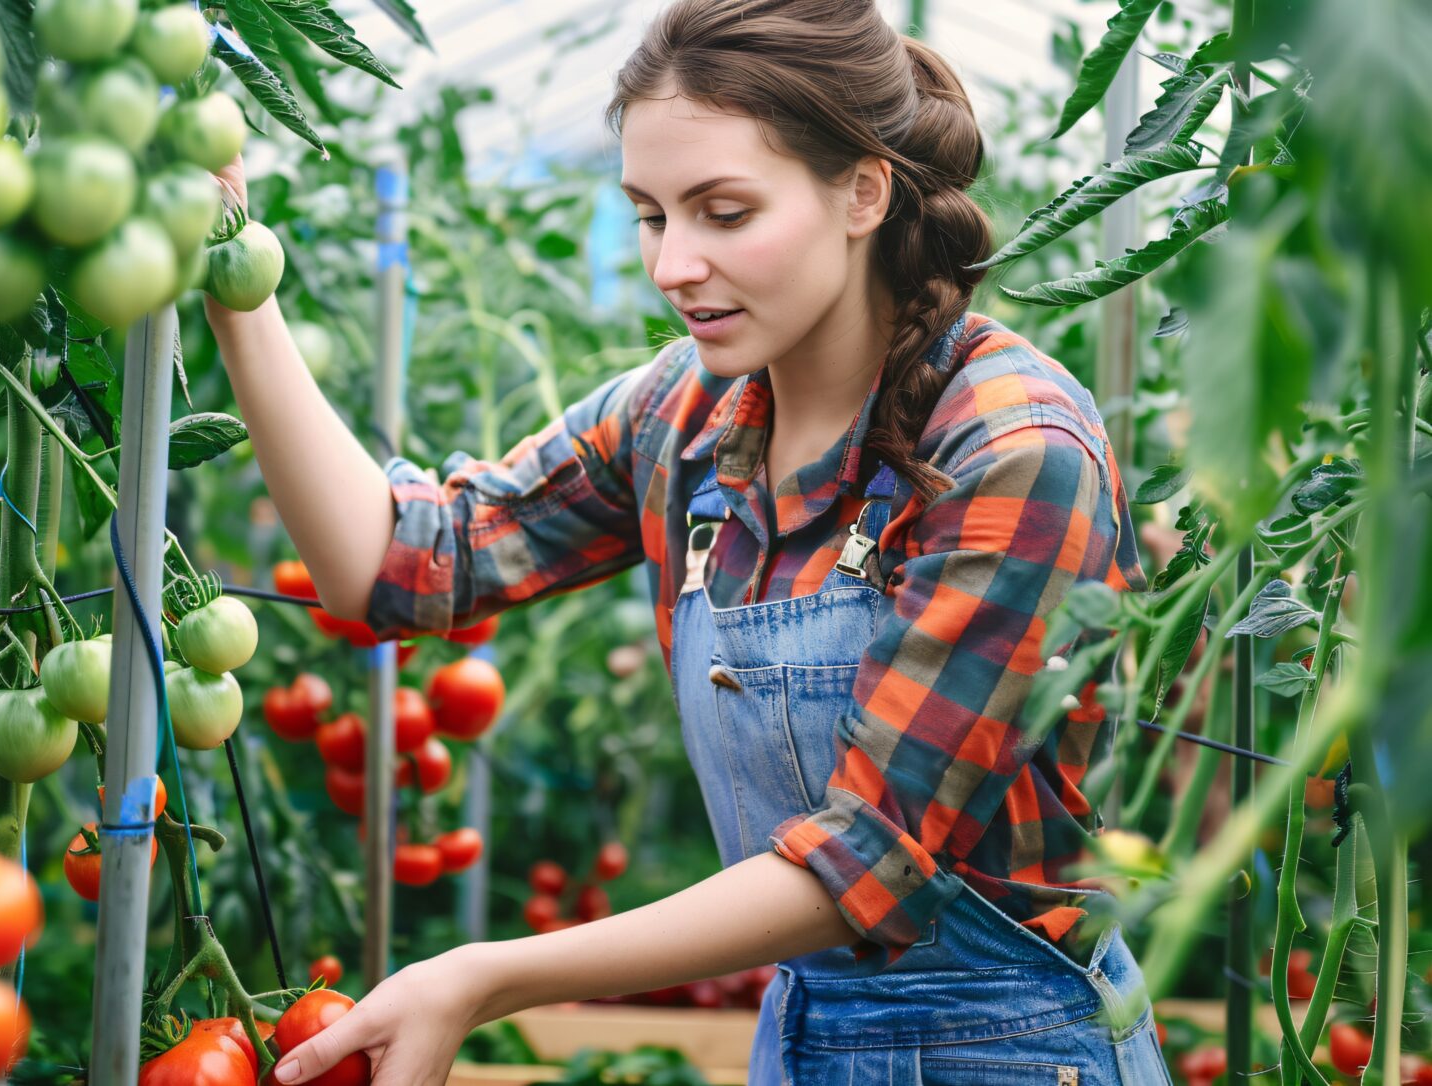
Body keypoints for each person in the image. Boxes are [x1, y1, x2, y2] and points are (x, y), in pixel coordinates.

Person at [208, 1, 1169, 1082]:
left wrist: (486, 976)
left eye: (723, 213)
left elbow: (870, 859)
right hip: (801, 1034)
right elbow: (401, 562)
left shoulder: (1011, 448)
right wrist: (235, 284)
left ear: (863, 193)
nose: (671, 265)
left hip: (1009, 1050)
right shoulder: (686, 417)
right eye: (651, 216)